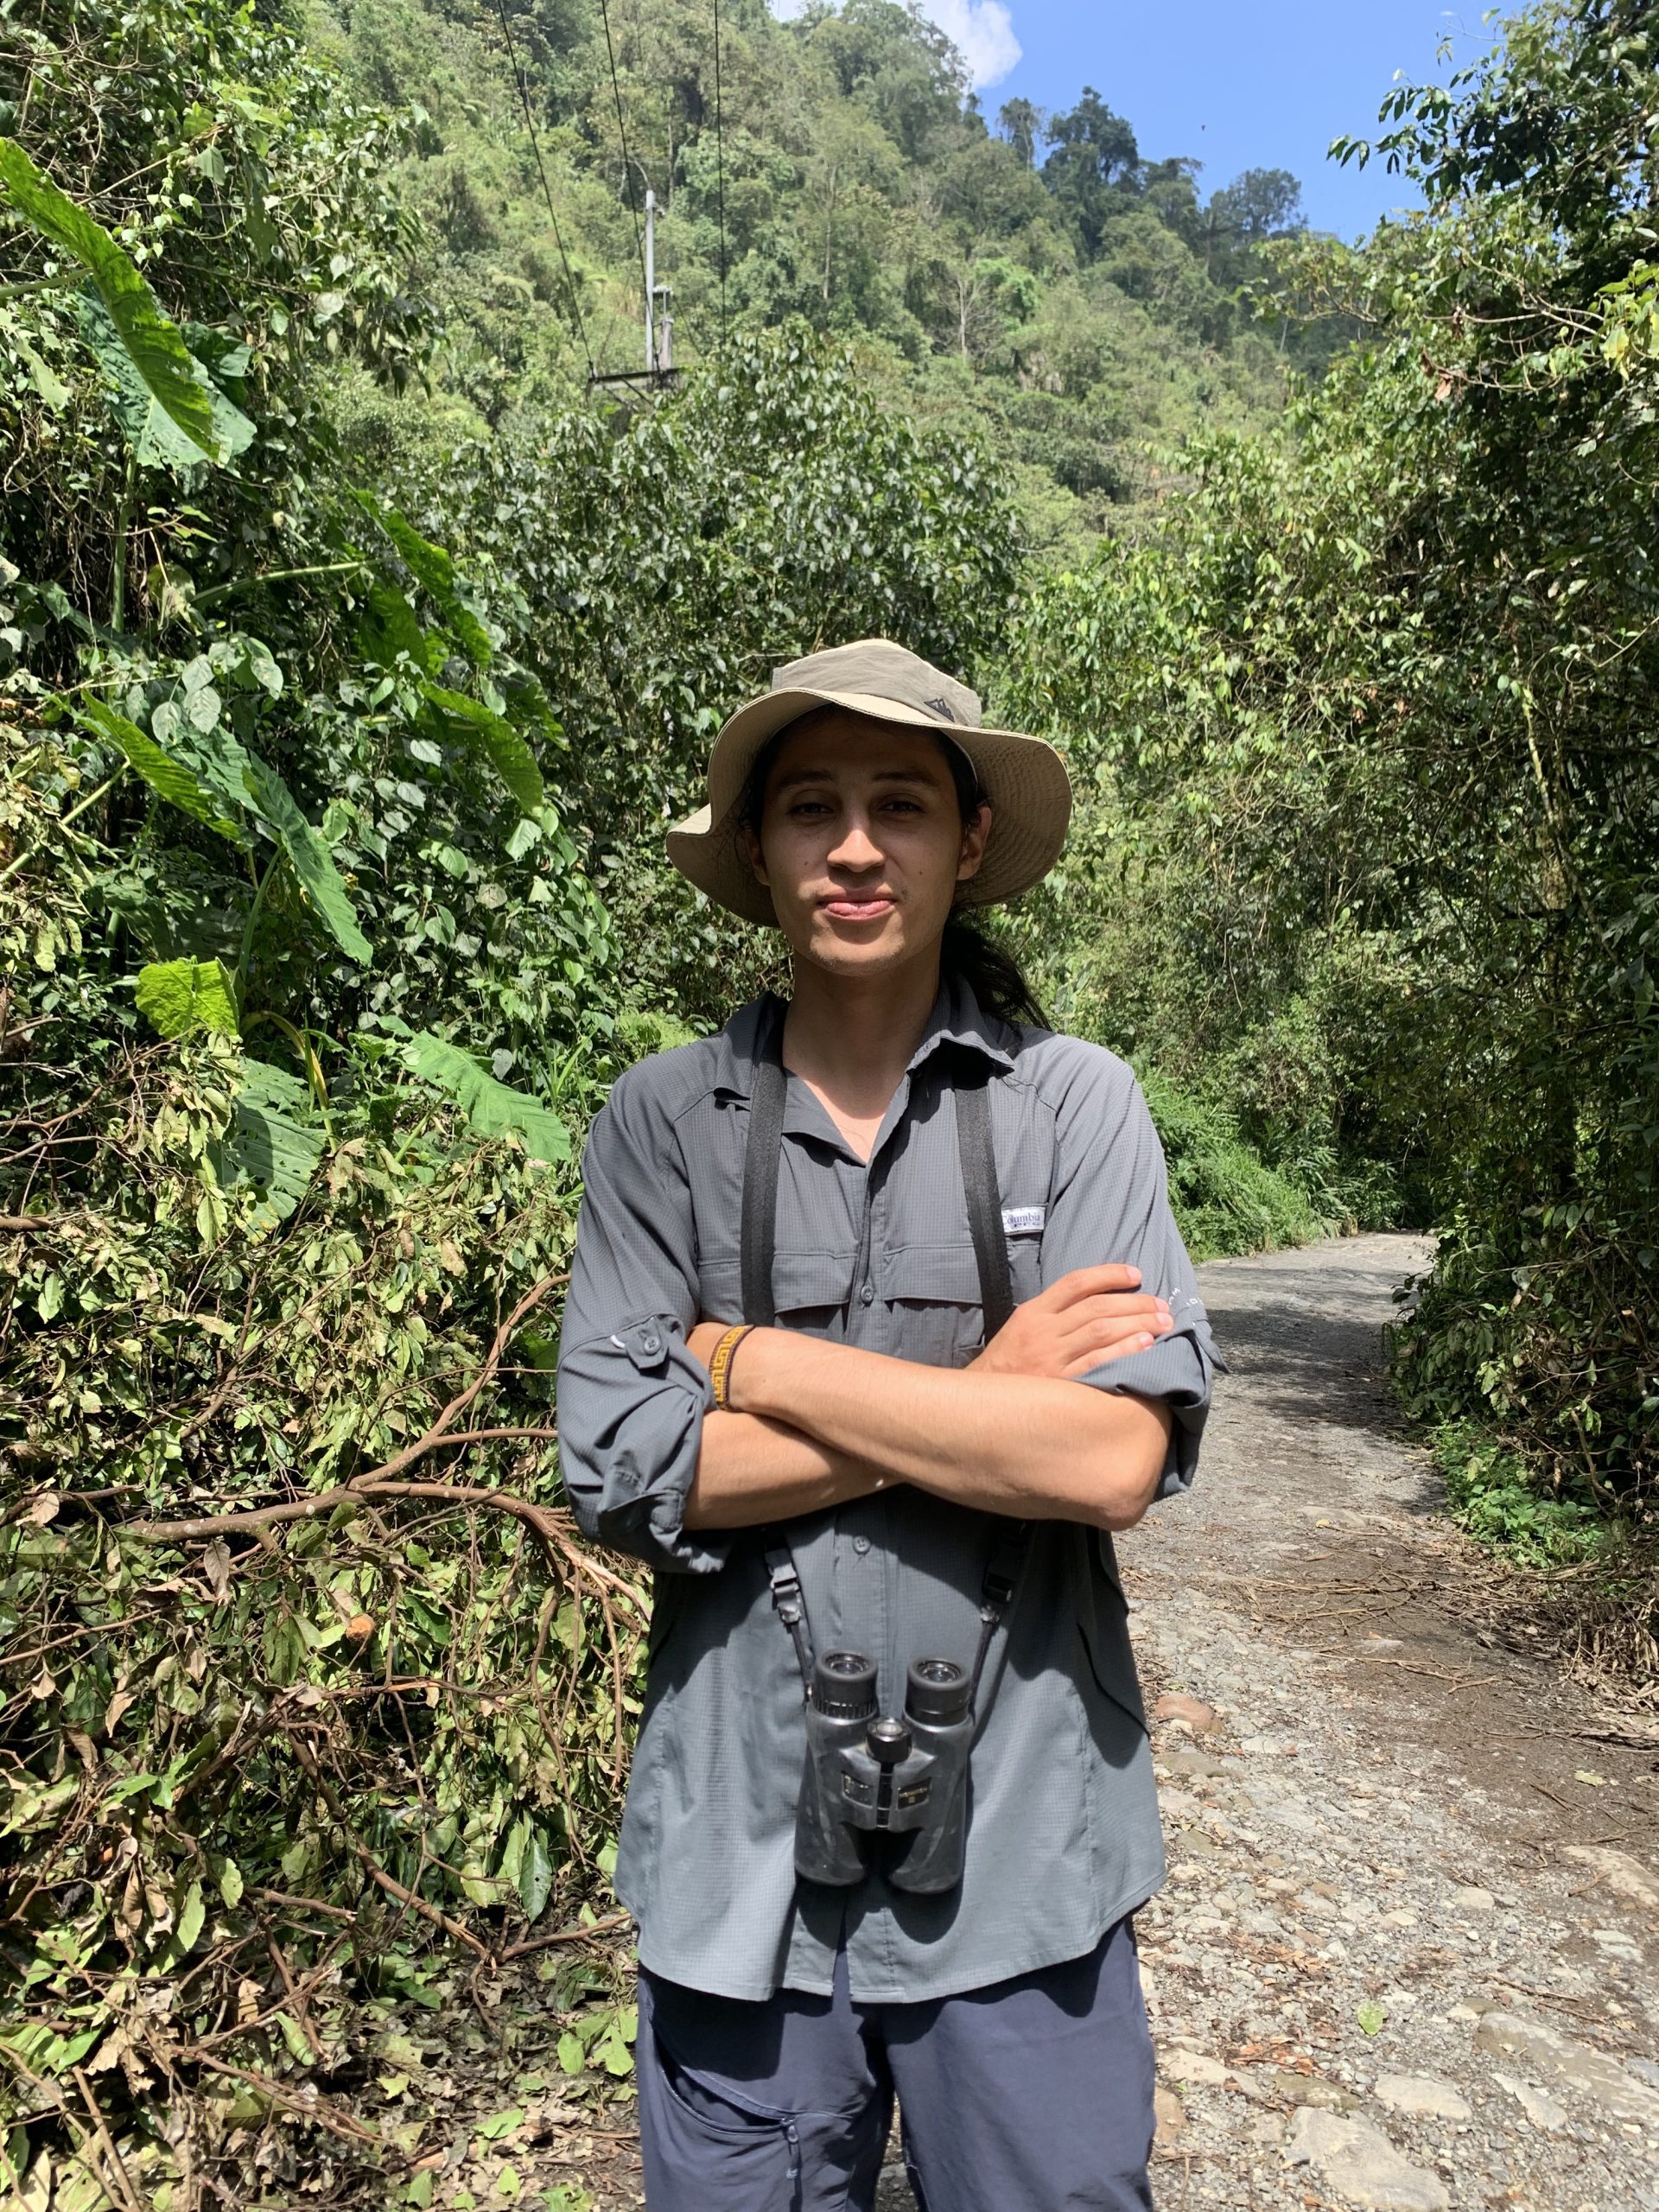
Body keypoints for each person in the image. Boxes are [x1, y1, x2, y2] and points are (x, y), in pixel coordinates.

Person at [557, 640, 1218, 2210]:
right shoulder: (663, 1126)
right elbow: (628, 1470)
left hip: (1029, 1856)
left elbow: (1113, 1460)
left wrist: (749, 1363)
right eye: (812, 807)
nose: (855, 847)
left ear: (969, 841)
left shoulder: (1076, 1106)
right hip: (737, 1863)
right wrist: (992, 1399)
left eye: (901, 804)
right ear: (766, 848)